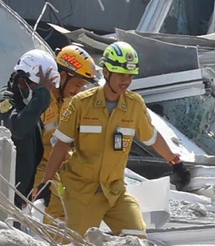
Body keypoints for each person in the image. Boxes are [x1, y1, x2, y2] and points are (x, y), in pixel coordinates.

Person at [35, 41, 192, 239]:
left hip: (115, 192)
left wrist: (175, 162)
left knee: (136, 237)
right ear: (107, 72)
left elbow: (151, 137)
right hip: (82, 192)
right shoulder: (81, 103)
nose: (126, 81)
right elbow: (61, 145)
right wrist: (45, 182)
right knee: (73, 241)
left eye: (130, 76)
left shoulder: (135, 105)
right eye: (120, 75)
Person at [0, 49, 58, 207]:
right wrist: (41, 97)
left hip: (13, 196)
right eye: (39, 88)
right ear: (23, 81)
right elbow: (17, 129)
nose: (42, 93)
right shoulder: (2, 101)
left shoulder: (26, 106)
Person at [35, 45, 98, 224]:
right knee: (57, 216)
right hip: (37, 169)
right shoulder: (40, 100)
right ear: (63, 76)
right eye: (77, 84)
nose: (78, 90)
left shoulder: (68, 101)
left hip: (57, 166)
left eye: (82, 86)